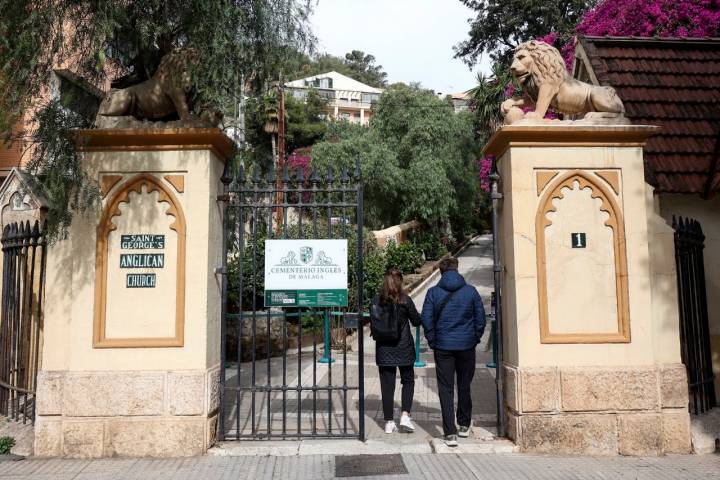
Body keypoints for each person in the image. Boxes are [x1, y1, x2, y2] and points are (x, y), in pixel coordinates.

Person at [421, 257, 485, 447]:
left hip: (443, 347)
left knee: (445, 389)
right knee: (464, 385)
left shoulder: (433, 293)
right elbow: (480, 318)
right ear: (457, 270)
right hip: (466, 346)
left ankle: (450, 433)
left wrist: (433, 340)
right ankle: (464, 425)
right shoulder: (471, 292)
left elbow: (426, 318)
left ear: (441, 272)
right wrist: (474, 338)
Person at [372, 268, 421, 434]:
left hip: (384, 348)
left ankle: (388, 422)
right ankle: (405, 415)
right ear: (400, 282)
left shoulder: (376, 301)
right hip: (404, 347)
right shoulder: (405, 300)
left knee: (387, 386)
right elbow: (416, 321)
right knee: (407, 380)